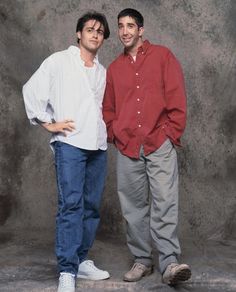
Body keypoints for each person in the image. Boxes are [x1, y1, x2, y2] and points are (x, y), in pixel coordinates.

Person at [23, 11, 110, 292]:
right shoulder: (60, 61)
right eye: (89, 29)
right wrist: (48, 123)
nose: (95, 34)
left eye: (100, 31)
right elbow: (32, 89)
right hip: (70, 144)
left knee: (91, 207)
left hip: (97, 144)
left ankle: (81, 259)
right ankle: (67, 270)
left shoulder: (102, 71)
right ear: (78, 34)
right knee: (70, 206)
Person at [103, 8, 191, 286]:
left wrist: (170, 134)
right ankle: (142, 260)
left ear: (141, 30)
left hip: (158, 142)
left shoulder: (163, 57)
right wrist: (115, 134)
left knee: (165, 203)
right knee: (132, 208)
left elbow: (176, 95)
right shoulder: (115, 69)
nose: (125, 31)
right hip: (128, 146)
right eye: (120, 26)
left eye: (130, 25)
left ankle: (169, 264)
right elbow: (108, 109)